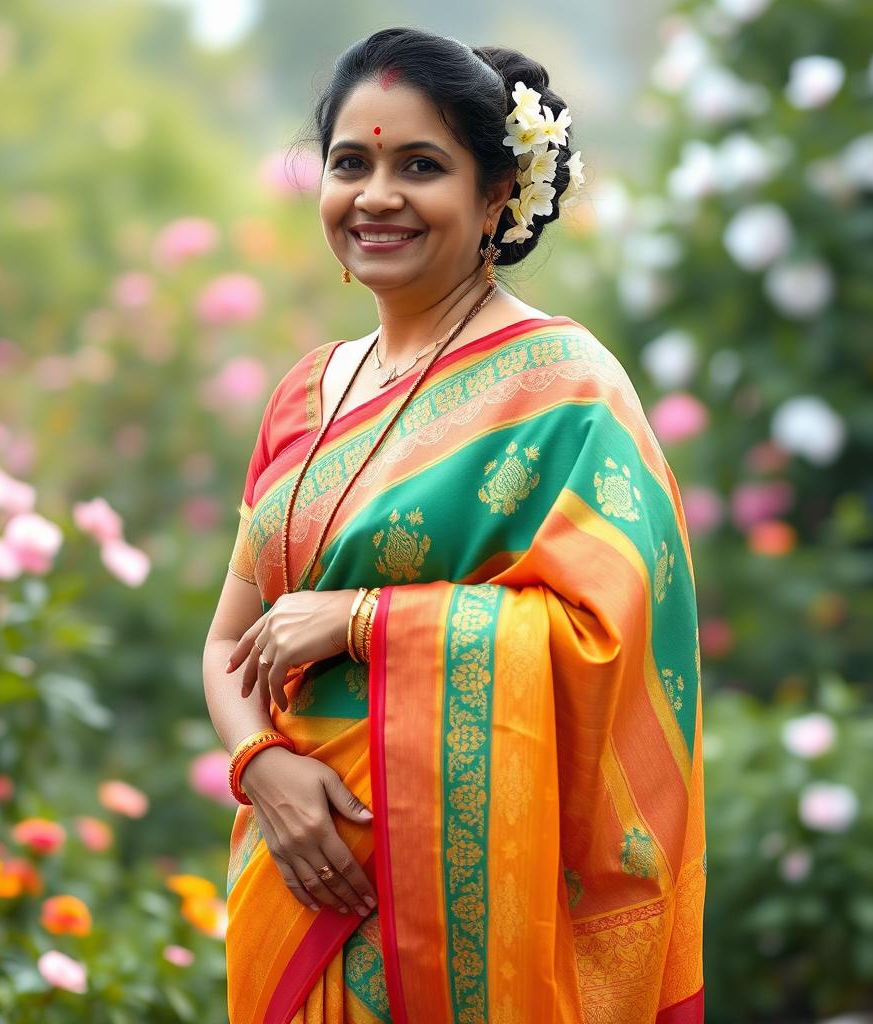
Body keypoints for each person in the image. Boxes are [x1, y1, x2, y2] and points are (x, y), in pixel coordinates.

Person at [203, 26, 706, 1024]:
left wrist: (361, 623)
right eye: (352, 162)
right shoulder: (305, 395)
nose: (376, 195)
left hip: (482, 900)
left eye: (419, 165)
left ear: (492, 198)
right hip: (300, 883)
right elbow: (227, 642)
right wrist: (264, 768)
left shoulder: (565, 387)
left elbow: (617, 645)